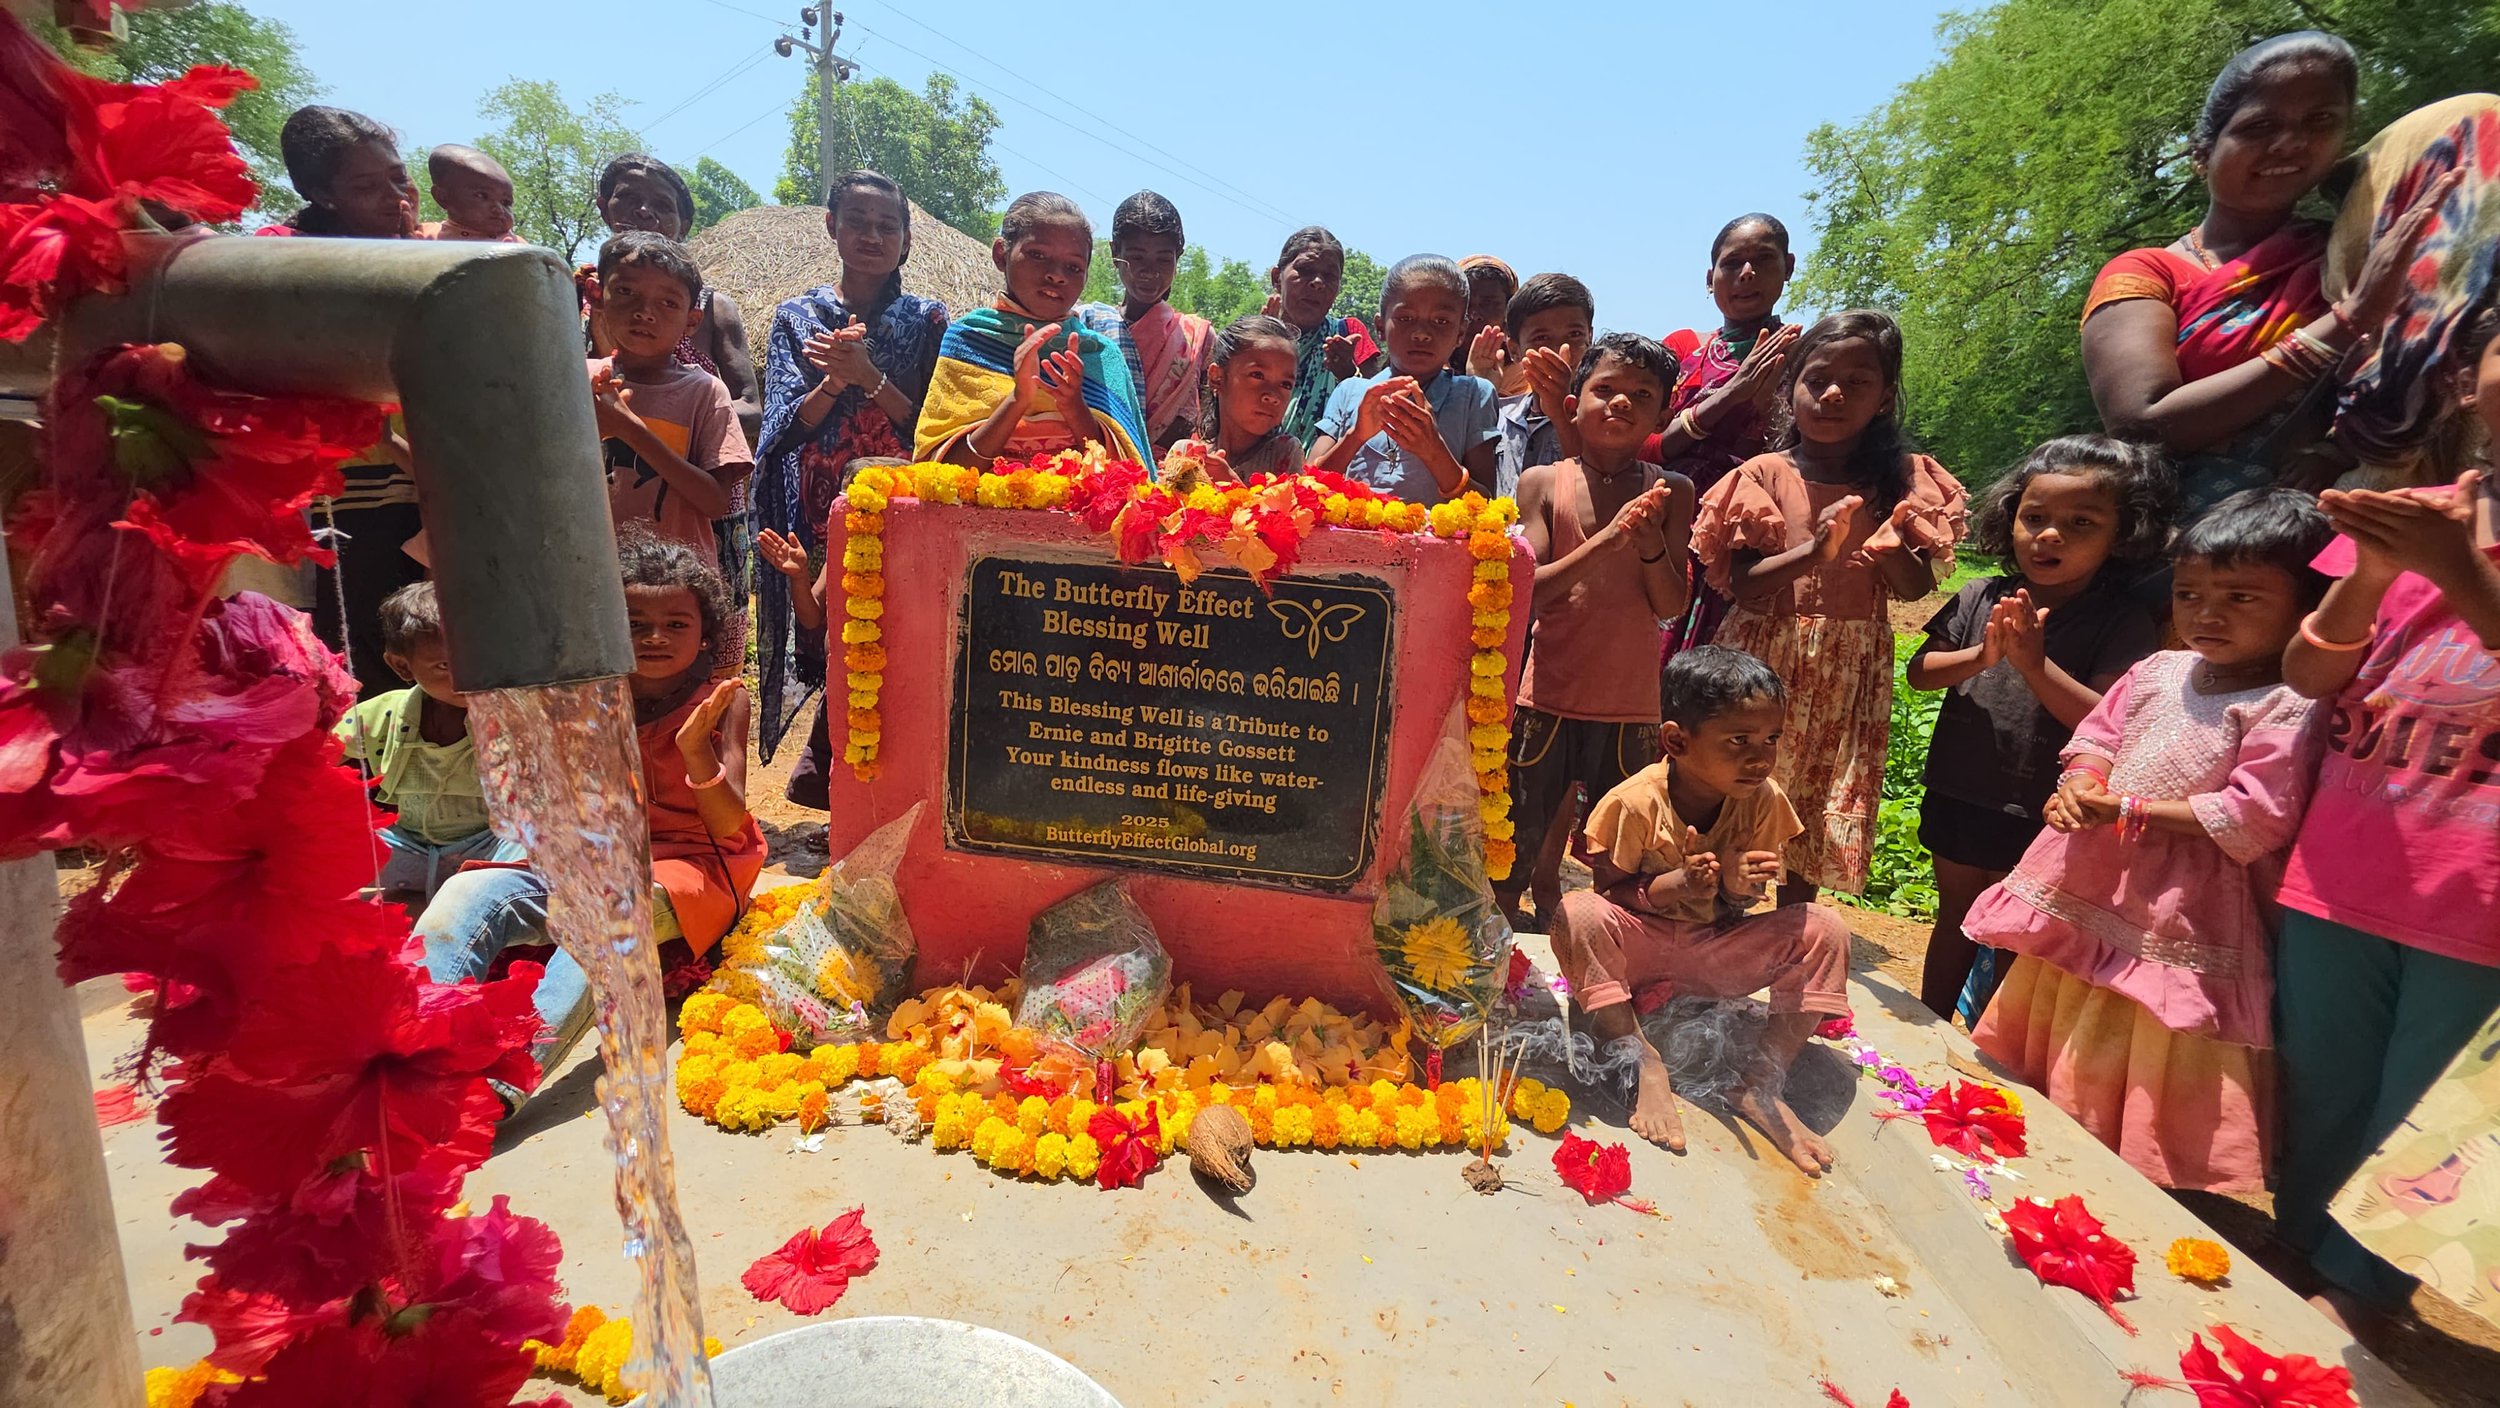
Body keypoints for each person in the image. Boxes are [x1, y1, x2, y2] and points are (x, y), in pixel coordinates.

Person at [1964, 488, 2330, 1198]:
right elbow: (2098, 735)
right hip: (2089, 883)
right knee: (2070, 988)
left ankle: (2129, 1169)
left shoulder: (2289, 702)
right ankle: (2040, 1126)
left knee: (2151, 1018)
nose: (2208, 614)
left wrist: (2125, 807)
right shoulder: (2158, 670)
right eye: (2191, 594)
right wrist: (2079, 782)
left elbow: (2254, 818)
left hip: (2183, 909)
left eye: (2242, 598)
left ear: (2308, 609)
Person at [2273, 304, 2500, 1332]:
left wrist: (2459, 571)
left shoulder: (2442, 540)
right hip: (2348, 855)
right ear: (2466, 381)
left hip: (2478, 887)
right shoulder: (2402, 511)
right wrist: (2369, 574)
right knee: (2320, 1073)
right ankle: (2298, 1241)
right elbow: (2309, 669)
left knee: (2426, 1109)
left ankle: (2361, 1291)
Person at [414, 528, 766, 1102]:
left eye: (676, 623)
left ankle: (506, 1083)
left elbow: (730, 828)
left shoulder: (725, 698)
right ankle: (411, 1056)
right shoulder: (583, 694)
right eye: (635, 623)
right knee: (465, 900)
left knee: (605, 920)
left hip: (688, 869)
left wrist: (695, 751)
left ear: (705, 635)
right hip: (587, 857)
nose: (655, 637)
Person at [2080, 32, 2471, 512]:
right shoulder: (2149, 271)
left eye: (2320, 121)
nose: (2291, 143)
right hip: (2181, 542)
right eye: (2260, 126)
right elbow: (2142, 426)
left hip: (2337, 517)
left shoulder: (2354, 259)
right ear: (2203, 153)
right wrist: (2345, 323)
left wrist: (2336, 448)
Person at [1693, 310, 1965, 904]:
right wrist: (1814, 552)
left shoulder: (1902, 482)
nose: (1834, 394)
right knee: (1740, 792)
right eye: (1817, 379)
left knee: (1818, 799)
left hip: (1847, 672)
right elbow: (1744, 585)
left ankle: (1793, 933)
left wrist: (1887, 548)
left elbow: (1914, 588)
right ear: (1791, 388)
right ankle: (1719, 923)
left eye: (1858, 383)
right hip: (1764, 663)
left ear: (1885, 397)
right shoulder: (1763, 475)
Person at [1549, 646, 1854, 1176]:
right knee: (1576, 912)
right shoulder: (1633, 802)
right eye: (1739, 741)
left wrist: (1733, 890)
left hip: (1712, 954)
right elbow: (1609, 897)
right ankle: (1641, 1056)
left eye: (1771, 739)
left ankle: (1761, 1084)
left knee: (1824, 925)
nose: (1760, 758)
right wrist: (1677, 883)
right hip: (1637, 950)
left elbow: (1734, 911)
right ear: (1676, 740)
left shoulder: (1764, 799)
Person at [1909, 436, 2173, 1022]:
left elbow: (2105, 719)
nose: (2050, 534)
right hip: (1958, 787)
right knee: (1953, 914)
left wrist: (2034, 663)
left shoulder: (2119, 620)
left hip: (2041, 808)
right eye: (2036, 518)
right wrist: (1985, 655)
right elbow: (1920, 672)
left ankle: (1984, 1048)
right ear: (2012, 520)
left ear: (2122, 536)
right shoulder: (1981, 594)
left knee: (2014, 929)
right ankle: (1928, 1033)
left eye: (2081, 522)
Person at [753, 170, 950, 807]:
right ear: (832, 227)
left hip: (897, 509)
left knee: (894, 637)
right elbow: (782, 425)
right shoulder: (797, 316)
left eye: (886, 225)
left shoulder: (927, 321)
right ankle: (835, 783)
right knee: (834, 634)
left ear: (906, 239)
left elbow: (931, 426)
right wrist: (834, 382)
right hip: (815, 506)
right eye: (858, 222)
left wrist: (867, 375)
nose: (872, 236)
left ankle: (879, 785)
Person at [1497, 333, 1692, 927]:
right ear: (1574, 399)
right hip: (1547, 695)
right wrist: (1610, 540)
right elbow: (1530, 592)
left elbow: (1671, 604)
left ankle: (1605, 960)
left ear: (1663, 412)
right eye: (1604, 389)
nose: (1620, 404)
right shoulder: (1541, 482)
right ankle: (1499, 960)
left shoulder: (1671, 491)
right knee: (1514, 844)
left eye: (1641, 394)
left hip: (1629, 705)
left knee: (1621, 854)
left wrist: (1651, 542)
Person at [259, 105, 423, 698]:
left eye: (397, 179)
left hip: (424, 483)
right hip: (345, 496)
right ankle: (374, 784)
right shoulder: (282, 257)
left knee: (439, 645)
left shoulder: (418, 250)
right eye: (365, 186)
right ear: (318, 192)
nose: (392, 197)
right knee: (369, 649)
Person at [1649, 214, 1804, 657]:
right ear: (1710, 276)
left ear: (1788, 267)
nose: (1747, 274)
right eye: (1732, 263)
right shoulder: (1681, 350)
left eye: (1763, 260)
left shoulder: (1806, 358)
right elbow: (1651, 444)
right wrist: (1734, 392)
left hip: (1748, 536)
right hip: (1670, 527)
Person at [914, 191, 1150, 468]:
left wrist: (1074, 406)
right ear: (1001, 254)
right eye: (1038, 255)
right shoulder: (968, 341)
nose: (1057, 274)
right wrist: (1018, 399)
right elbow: (940, 471)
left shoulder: (1101, 356)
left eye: (1074, 267)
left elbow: (1127, 476)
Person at [333, 582, 523, 905]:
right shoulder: (385, 715)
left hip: (488, 847)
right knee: (320, 855)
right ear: (402, 666)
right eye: (446, 666)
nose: (470, 677)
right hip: (408, 848)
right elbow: (320, 748)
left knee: (536, 852)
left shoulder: (510, 716)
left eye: (481, 659)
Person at [588, 232, 754, 571]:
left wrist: (630, 430)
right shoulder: (580, 379)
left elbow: (715, 502)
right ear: (597, 296)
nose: (645, 313)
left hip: (674, 583)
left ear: (691, 321)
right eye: (625, 292)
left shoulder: (706, 393)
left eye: (668, 303)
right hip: (591, 574)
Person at [1308, 254, 1501, 502]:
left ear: (1460, 333)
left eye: (1441, 321)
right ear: (1380, 328)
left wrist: (1433, 450)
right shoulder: (1350, 392)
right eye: (1405, 319)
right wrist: (1356, 436)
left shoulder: (1475, 394)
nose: (1421, 333)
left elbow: (1486, 504)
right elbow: (1308, 488)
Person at [1076, 191, 1212, 451]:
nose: (1150, 270)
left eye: (1163, 259)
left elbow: (1209, 423)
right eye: (1137, 257)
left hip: (1170, 478)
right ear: (1115, 252)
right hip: (1096, 466)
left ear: (1178, 257)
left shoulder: (1199, 339)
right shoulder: (1087, 325)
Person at [1268, 226, 1382, 447]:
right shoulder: (1249, 335)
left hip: (1324, 476)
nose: (1318, 282)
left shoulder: (1349, 333)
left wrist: (1348, 374)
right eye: (1305, 270)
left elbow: (1374, 416)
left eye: (1329, 276)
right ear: (1276, 277)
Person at [1488, 273, 1594, 498]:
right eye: (1541, 338)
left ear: (1590, 338)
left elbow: (1596, 485)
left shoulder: (1602, 417)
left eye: (1575, 335)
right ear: (1514, 350)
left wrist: (1560, 411)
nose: (1560, 350)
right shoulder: (1498, 416)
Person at [1164, 314, 1304, 482]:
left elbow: (1290, 508)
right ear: (1217, 378)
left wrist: (1231, 485)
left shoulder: (1284, 453)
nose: (1272, 396)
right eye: (1257, 375)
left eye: (1285, 384)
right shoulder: (1186, 456)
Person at [422, 144, 519, 243]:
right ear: (443, 197)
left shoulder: (514, 243)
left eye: (506, 202)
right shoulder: (425, 235)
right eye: (482, 196)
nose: (498, 209)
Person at [1454, 254, 1521, 391]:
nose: (1475, 315)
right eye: (1467, 304)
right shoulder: (1429, 372)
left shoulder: (1529, 376)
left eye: (1488, 303)